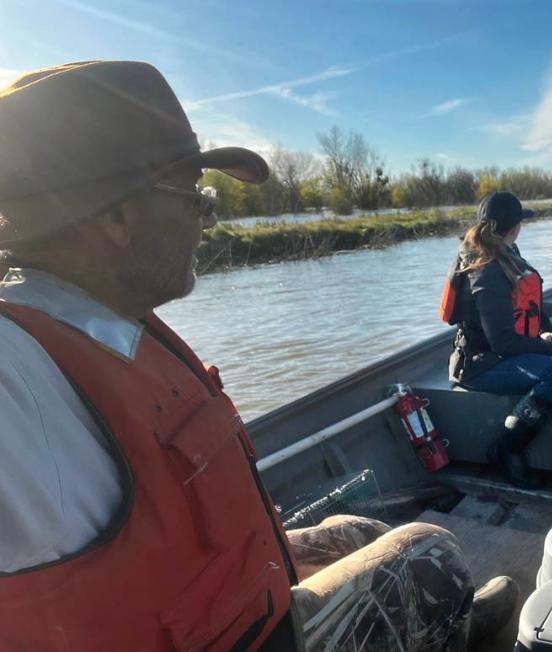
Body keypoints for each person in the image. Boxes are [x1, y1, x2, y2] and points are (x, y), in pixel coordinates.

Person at [0, 61, 515, 651]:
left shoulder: (109, 321)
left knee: (353, 532)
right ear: (118, 216)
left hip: (218, 601)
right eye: (196, 198)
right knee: (430, 554)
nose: (207, 220)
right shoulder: (13, 373)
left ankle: (460, 619)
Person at [445, 192, 552, 488]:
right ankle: (507, 448)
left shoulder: (507, 252)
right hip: (480, 366)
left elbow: (528, 304)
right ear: (514, 226)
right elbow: (503, 341)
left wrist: (545, 331)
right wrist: (551, 348)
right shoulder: (486, 271)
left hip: (503, 354)